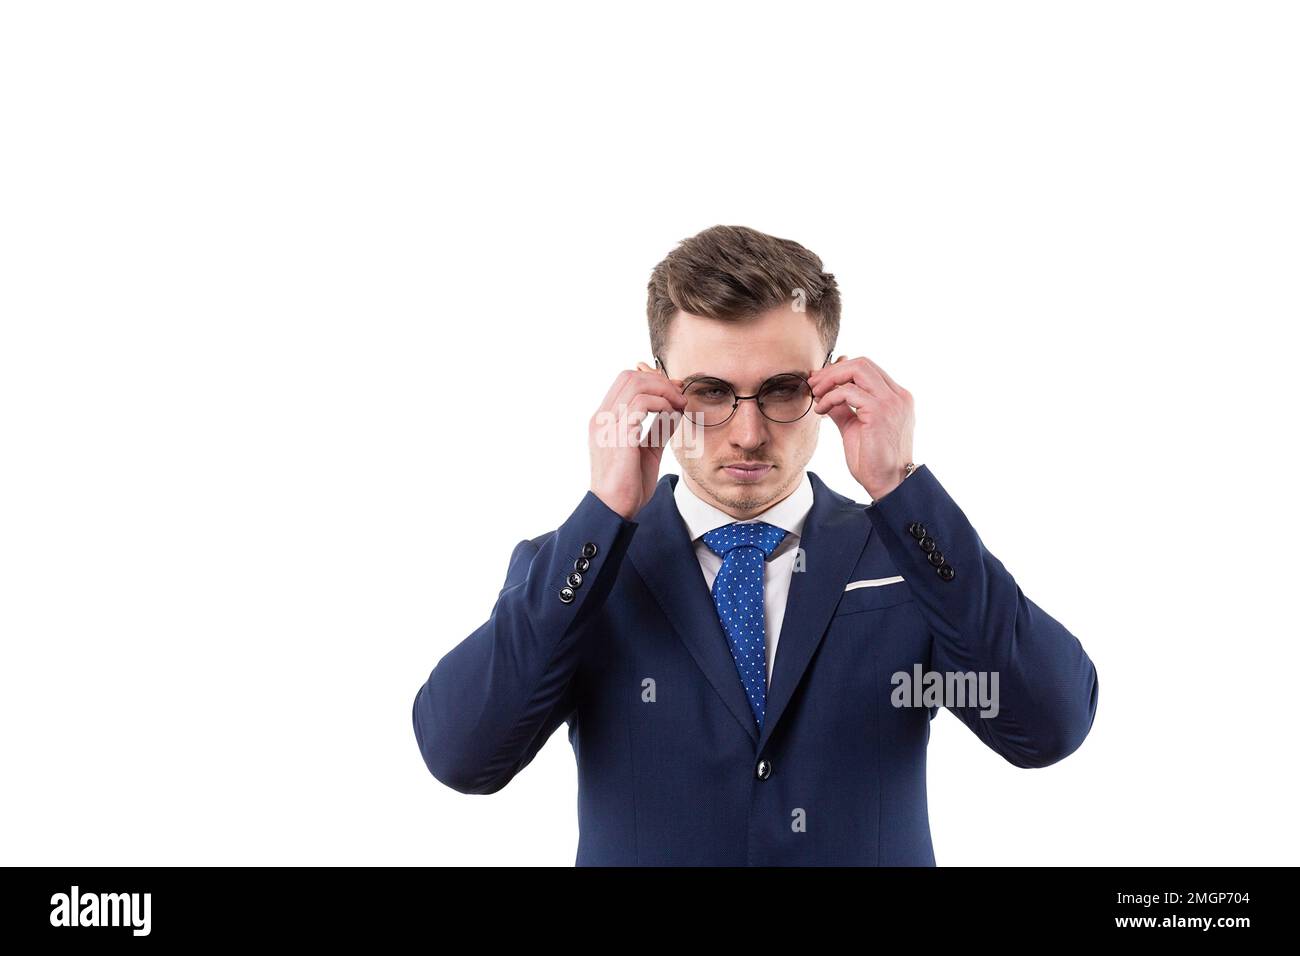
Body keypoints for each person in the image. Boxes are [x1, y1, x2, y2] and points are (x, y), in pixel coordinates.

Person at [411, 224, 1099, 865]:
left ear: (831, 382)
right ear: (656, 389)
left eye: (782, 390)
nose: (746, 434)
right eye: (709, 391)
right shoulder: (578, 569)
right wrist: (606, 511)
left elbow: (1048, 726)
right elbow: (462, 754)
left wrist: (900, 485)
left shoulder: (909, 557)